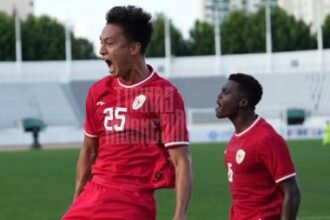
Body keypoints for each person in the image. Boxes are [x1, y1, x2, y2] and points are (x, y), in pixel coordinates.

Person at [62, 6, 192, 220]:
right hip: (93, 194)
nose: (102, 51)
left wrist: (180, 215)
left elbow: (181, 161)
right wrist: (77, 201)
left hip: (133, 200)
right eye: (101, 43)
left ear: (134, 48)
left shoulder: (165, 95)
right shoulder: (98, 91)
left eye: (110, 43)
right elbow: (88, 150)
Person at [215, 73, 301, 220]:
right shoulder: (236, 138)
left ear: (243, 102)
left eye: (226, 93)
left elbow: (292, 192)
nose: (219, 96)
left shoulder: (266, 139)